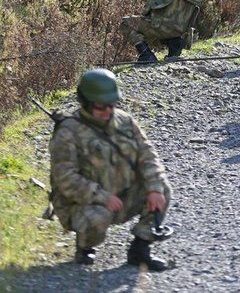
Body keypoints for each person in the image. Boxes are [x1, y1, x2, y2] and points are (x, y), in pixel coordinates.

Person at [48, 68, 171, 271]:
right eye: (100, 106)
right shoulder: (67, 133)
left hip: (123, 196)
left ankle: (140, 250)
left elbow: (147, 154)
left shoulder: (125, 121)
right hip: (85, 203)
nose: (107, 111)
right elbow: (66, 178)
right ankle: (85, 245)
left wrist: (154, 188)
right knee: (96, 218)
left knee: (162, 190)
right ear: (86, 102)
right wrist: (102, 197)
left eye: (111, 105)